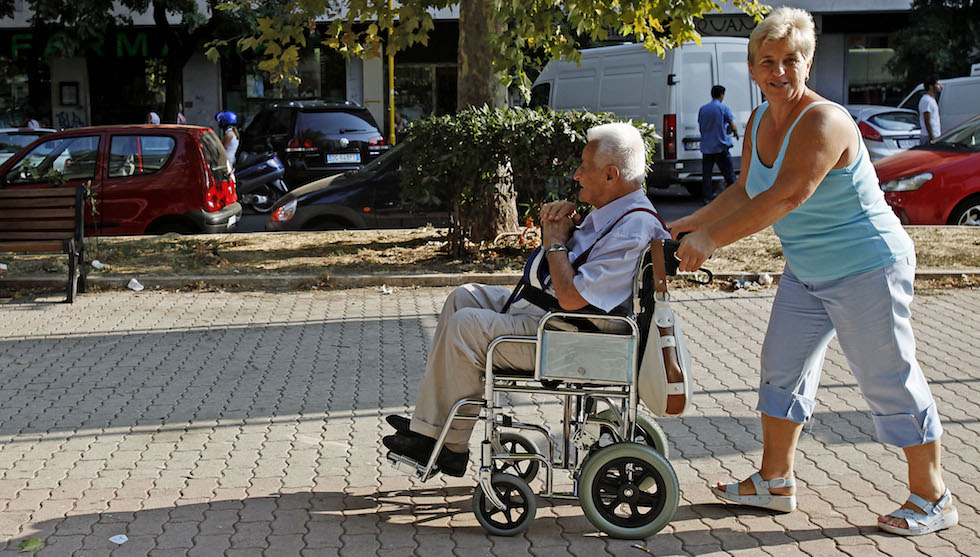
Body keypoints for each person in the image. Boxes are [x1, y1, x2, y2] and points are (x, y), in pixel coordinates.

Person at [670, 7, 955, 536]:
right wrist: (691, 221)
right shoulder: (757, 121)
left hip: (867, 265)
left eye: (790, 61)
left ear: (809, 63)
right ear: (752, 68)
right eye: (767, 61)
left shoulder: (825, 120)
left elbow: (787, 196)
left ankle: (933, 495)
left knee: (888, 378)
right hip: (807, 270)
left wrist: (711, 241)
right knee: (781, 369)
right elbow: (745, 189)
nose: (778, 72)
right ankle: (774, 482)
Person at [383, 123, 670, 476]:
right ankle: (432, 431)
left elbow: (570, 296)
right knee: (463, 297)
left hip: (574, 340)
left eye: (584, 167)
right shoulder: (613, 212)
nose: (577, 175)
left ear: (611, 175)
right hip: (563, 326)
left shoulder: (633, 227)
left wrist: (554, 240)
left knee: (466, 327)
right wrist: (565, 230)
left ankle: (448, 445)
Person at [698, 84, 739, 204]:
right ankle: (734, 197)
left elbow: (701, 125)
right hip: (720, 146)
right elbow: (732, 124)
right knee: (729, 174)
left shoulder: (703, 109)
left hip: (706, 147)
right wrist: (736, 134)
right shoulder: (723, 108)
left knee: (707, 176)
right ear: (721, 95)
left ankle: (707, 198)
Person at [918, 75, 942, 144]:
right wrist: (932, 138)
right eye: (938, 84)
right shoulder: (926, 100)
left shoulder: (932, 100)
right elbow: (927, 121)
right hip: (928, 137)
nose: (941, 86)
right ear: (931, 86)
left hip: (935, 135)